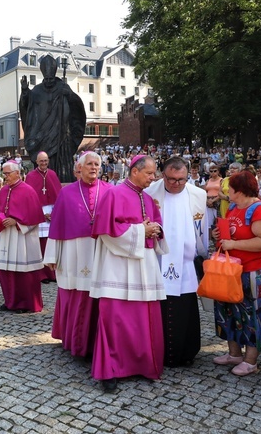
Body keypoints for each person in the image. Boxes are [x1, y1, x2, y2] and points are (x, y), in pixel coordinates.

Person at [89, 155, 167, 391]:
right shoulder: (113, 194)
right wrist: (139, 230)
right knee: (115, 319)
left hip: (144, 265)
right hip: (117, 266)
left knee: (143, 318)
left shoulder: (148, 198)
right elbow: (106, 231)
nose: (153, 178)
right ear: (135, 171)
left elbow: (156, 226)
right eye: (150, 173)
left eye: (154, 174)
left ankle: (143, 364)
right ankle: (110, 371)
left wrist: (155, 230)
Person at [212, 171, 261, 376]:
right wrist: (217, 235)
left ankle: (250, 361)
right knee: (230, 312)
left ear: (238, 191)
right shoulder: (234, 207)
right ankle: (234, 353)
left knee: (254, 315)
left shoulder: (259, 210)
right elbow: (230, 232)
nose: (226, 190)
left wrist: (234, 243)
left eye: (229, 187)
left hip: (256, 272)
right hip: (232, 271)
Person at [44, 151, 111, 357]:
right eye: (89, 164)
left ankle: (97, 342)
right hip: (73, 253)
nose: (93, 168)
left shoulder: (109, 191)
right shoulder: (66, 193)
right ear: (79, 168)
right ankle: (74, 339)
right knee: (75, 294)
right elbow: (56, 226)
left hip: (101, 250)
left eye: (97, 165)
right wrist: (52, 256)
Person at [145, 157, 208, 367]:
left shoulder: (198, 194)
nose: (176, 184)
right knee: (159, 307)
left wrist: (203, 254)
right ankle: (159, 352)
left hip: (187, 261)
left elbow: (202, 228)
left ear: (188, 175)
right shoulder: (150, 193)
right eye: (171, 179)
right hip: (158, 260)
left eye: (181, 179)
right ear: (163, 175)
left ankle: (186, 351)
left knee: (186, 307)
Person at [19, 55, 87, 183]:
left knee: (62, 170)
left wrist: (70, 95)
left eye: (51, 78)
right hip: (42, 137)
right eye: (47, 78)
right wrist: (24, 92)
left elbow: (76, 106)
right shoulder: (37, 91)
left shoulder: (63, 87)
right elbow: (27, 107)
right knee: (44, 167)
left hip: (61, 137)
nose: (49, 81)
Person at [0, 161, 45, 313]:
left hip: (22, 237)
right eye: (4, 173)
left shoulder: (28, 191)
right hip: (7, 236)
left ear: (17, 173)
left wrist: (17, 221)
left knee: (23, 273)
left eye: (8, 173)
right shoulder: (3, 191)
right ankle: (10, 301)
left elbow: (35, 217)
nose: (5, 176)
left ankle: (24, 303)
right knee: (5, 270)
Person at [25, 151, 62, 284]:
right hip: (37, 213)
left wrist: (54, 213)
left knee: (50, 244)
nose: (44, 163)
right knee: (39, 244)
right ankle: (42, 274)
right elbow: (29, 199)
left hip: (52, 214)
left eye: (46, 161)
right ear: (36, 161)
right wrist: (41, 214)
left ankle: (52, 273)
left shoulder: (52, 174)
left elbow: (59, 197)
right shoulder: (30, 176)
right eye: (41, 161)